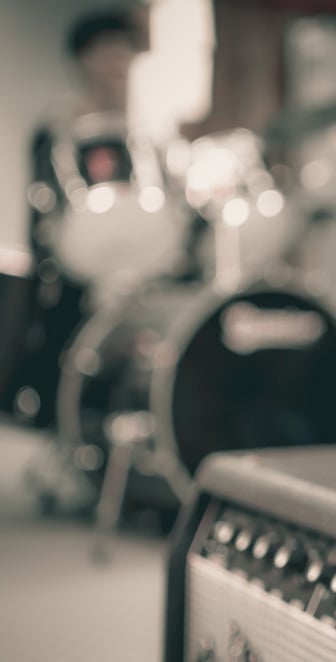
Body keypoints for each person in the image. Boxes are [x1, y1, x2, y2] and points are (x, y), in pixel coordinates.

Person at [2, 8, 144, 428]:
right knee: (63, 354)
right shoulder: (62, 128)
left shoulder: (137, 132)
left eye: (124, 52)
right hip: (74, 266)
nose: (117, 62)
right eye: (106, 52)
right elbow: (44, 207)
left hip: (133, 263)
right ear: (83, 60)